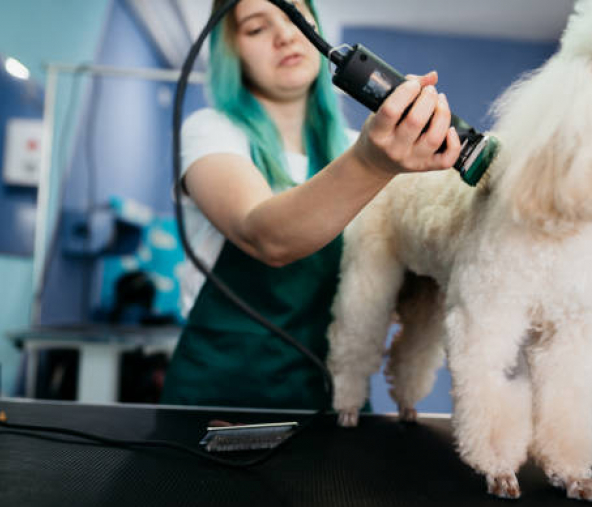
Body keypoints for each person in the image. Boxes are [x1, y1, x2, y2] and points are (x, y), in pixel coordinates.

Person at [160, 0, 460, 409]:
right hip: (222, 398)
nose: (285, 34)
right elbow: (265, 236)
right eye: (256, 28)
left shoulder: (354, 146)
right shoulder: (212, 132)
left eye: (295, 17)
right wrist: (372, 163)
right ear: (230, 52)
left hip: (333, 399)